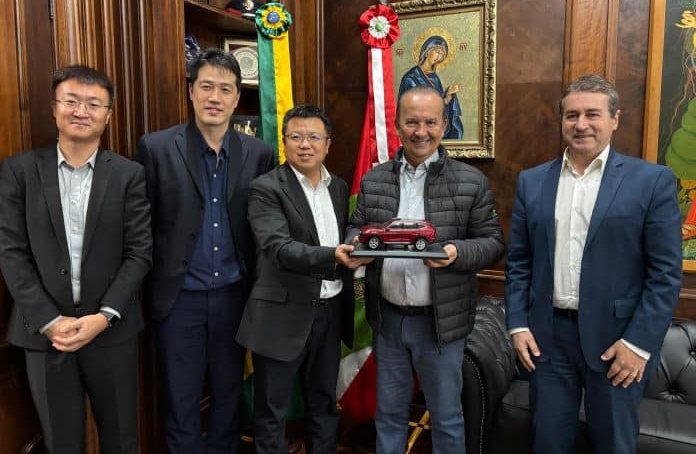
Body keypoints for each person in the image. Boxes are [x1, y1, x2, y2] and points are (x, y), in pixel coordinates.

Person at [505, 75, 683, 453]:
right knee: (548, 443)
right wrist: (518, 324)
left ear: (615, 119)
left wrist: (638, 345)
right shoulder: (532, 182)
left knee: (613, 445)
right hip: (548, 340)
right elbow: (519, 261)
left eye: (592, 114)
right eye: (572, 115)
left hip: (617, 342)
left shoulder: (651, 181)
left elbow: (665, 275)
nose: (581, 124)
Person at [0, 65, 152, 453]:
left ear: (108, 114)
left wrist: (104, 316)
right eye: (71, 101)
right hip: (45, 335)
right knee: (61, 444)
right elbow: (11, 253)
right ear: (54, 108)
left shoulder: (129, 175)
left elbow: (139, 252)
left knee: (122, 441)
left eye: (93, 103)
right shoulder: (18, 171)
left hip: (111, 332)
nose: (81, 111)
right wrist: (50, 321)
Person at [346, 86, 505, 453]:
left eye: (431, 122)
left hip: (441, 323)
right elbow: (356, 226)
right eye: (412, 122)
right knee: (388, 414)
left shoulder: (471, 181)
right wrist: (355, 245)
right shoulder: (374, 179)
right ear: (397, 125)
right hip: (387, 321)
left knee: (446, 417)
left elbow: (493, 242)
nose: (421, 131)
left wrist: (457, 253)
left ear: (445, 124)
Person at [135, 48, 274, 453]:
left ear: (237, 98)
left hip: (235, 296)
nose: (215, 97)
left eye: (225, 89)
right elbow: (142, 228)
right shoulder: (157, 148)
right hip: (179, 300)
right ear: (191, 92)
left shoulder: (259, 154)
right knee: (181, 399)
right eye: (207, 86)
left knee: (229, 398)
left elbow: (263, 229)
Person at [237, 105, 371, 454]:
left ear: (328, 144)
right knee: (272, 411)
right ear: (284, 142)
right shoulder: (266, 188)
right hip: (280, 315)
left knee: (324, 404)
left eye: (314, 137)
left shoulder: (338, 187)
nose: (305, 144)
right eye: (296, 137)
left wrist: (356, 244)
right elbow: (277, 247)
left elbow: (348, 232)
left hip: (330, 312)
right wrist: (334, 256)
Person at [398, 35, 464, 140]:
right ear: (427, 51)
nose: (439, 57)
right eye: (438, 52)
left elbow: (438, 104)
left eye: (442, 55)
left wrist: (448, 96)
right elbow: (409, 108)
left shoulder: (434, 78)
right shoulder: (411, 77)